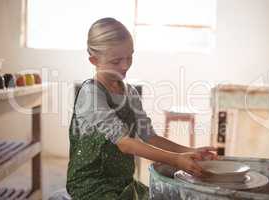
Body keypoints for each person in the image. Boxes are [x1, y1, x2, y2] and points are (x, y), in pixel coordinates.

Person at [66, 17, 217, 200]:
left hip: (122, 182)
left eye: (129, 57)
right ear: (94, 60)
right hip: (90, 184)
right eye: (116, 61)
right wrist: (176, 160)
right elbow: (125, 143)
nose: (125, 65)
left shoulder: (129, 93)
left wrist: (188, 151)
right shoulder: (91, 94)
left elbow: (149, 136)